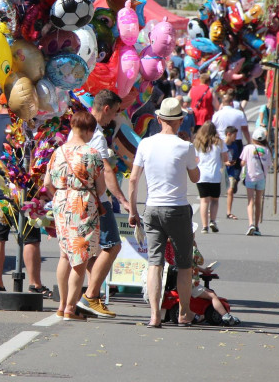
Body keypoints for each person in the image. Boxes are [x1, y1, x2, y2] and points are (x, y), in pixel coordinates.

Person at [128, 97, 200, 328]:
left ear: (158, 119)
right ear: (180, 120)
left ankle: (154, 315)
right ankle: (183, 312)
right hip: (177, 208)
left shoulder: (145, 144)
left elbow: (133, 180)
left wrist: (132, 210)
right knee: (184, 264)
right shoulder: (185, 146)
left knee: (154, 263)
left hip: (152, 208)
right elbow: (195, 177)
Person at [0, 97, 50, 296]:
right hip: (21, 186)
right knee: (30, 237)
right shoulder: (20, 125)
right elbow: (29, 159)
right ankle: (35, 283)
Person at [43, 110, 106, 320]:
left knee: (64, 255)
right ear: (89, 130)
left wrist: (61, 195)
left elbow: (46, 183)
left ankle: (61, 305)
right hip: (82, 203)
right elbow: (102, 187)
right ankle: (71, 307)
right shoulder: (92, 153)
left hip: (61, 202)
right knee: (80, 259)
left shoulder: (58, 152)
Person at [75, 89, 132, 319]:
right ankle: (90, 295)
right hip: (98, 199)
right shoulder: (97, 135)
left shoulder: (79, 130)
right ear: (106, 109)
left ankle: (85, 298)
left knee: (88, 251)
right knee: (112, 246)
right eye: (115, 113)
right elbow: (106, 169)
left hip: (76, 197)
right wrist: (122, 199)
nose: (114, 119)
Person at [193, 122, 227, 233]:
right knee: (215, 200)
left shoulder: (197, 143)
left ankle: (204, 226)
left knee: (204, 201)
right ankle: (212, 220)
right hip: (215, 175)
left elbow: (195, 159)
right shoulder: (219, 142)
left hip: (202, 175)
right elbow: (225, 158)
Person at [239, 127, 272, 235]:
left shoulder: (248, 148)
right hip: (261, 178)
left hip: (250, 177)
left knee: (250, 201)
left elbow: (242, 163)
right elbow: (269, 165)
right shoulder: (267, 150)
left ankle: (251, 223)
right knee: (258, 202)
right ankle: (257, 226)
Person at [223, 126, 243, 220]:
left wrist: (233, 163)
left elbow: (235, 158)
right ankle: (210, 210)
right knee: (216, 192)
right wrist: (225, 163)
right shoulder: (221, 144)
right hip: (221, 170)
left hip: (230, 171)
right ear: (228, 134)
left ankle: (228, 212)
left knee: (230, 190)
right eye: (234, 135)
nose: (236, 137)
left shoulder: (234, 145)